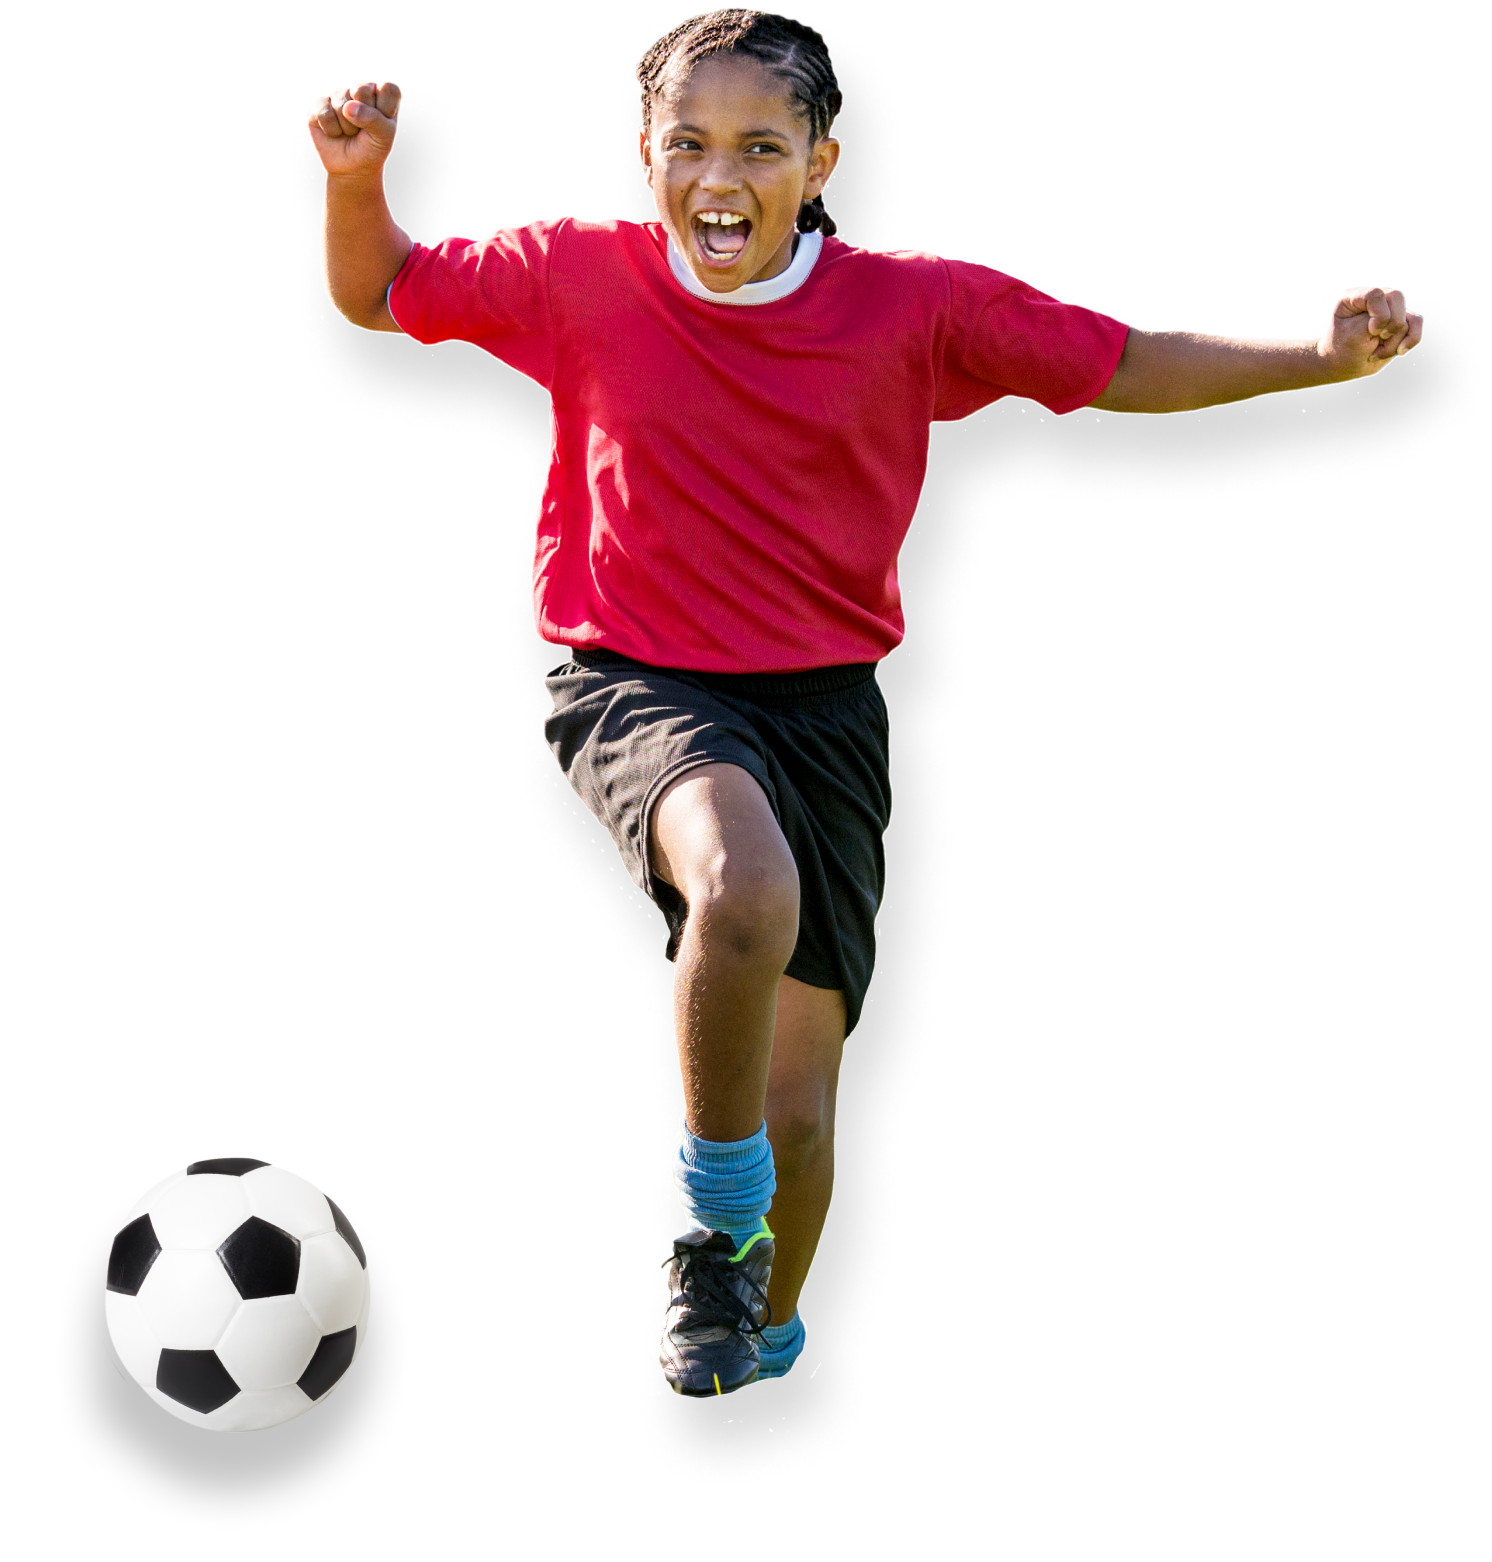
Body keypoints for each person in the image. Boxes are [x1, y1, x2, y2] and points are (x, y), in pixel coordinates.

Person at [306, 8, 1423, 1401]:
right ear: (644, 156)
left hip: (828, 709)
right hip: (635, 674)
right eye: (688, 145)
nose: (722, 178)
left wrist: (1314, 358)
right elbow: (381, 296)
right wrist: (359, 181)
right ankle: (710, 1232)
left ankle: (759, 1341)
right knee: (743, 886)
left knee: (803, 1107)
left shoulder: (918, 312)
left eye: (762, 147)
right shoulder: (576, 280)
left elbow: (1123, 367)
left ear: (822, 163)